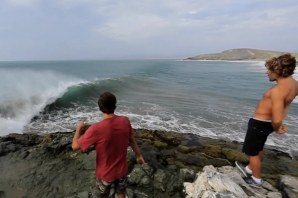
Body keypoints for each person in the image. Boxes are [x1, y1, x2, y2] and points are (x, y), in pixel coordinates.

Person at [236, 53, 298, 188]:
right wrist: (279, 123)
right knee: (259, 148)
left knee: (253, 153)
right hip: (267, 124)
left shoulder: (277, 91)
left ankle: (256, 180)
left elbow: (276, 115)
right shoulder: (294, 85)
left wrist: (277, 125)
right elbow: (285, 106)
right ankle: (250, 169)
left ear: (279, 71)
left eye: (269, 69)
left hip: (259, 123)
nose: (267, 72)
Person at [72, 91, 145, 198]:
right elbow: (132, 140)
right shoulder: (125, 121)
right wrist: (139, 156)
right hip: (122, 171)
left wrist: (78, 129)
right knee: (121, 193)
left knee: (102, 195)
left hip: (105, 174)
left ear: (100, 108)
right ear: (115, 106)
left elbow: (74, 146)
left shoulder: (96, 129)